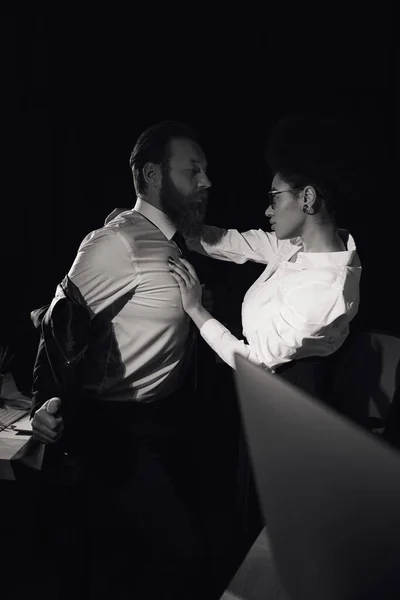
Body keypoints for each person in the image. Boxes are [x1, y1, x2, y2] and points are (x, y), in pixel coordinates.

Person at [30, 121, 222, 599]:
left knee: (153, 560)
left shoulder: (173, 241)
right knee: (179, 557)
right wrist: (47, 399)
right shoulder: (117, 242)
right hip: (117, 429)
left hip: (166, 421)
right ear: (153, 174)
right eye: (193, 170)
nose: (206, 181)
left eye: (205, 170)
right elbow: (59, 321)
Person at [169, 113, 362, 381]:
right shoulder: (299, 246)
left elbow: (254, 362)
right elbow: (238, 243)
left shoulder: (324, 292)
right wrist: (181, 224)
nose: (267, 211)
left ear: (307, 197)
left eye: (274, 198)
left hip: (285, 392)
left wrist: (195, 309)